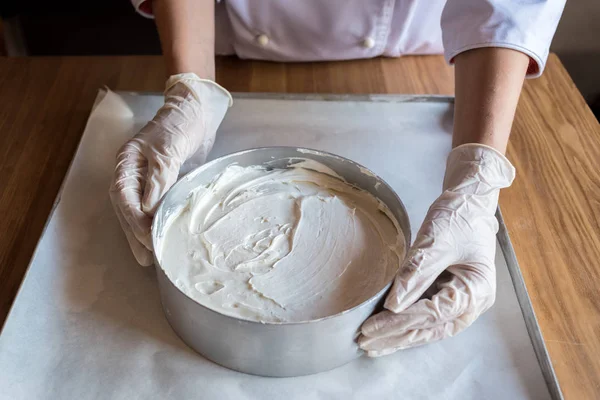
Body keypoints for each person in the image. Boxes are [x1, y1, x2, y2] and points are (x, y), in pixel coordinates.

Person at [109, 0, 565, 357]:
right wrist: (191, 91)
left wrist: (478, 175)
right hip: (230, 42)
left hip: (437, 62)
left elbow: (510, 4)